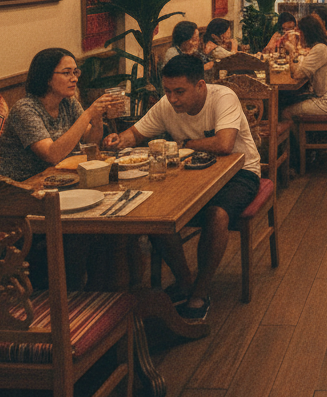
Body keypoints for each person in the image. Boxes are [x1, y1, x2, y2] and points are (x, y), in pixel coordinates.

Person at [103, 53, 262, 320]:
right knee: (156, 213)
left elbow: (224, 144)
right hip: (190, 174)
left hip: (240, 171)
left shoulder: (222, 97)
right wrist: (118, 140)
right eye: (167, 91)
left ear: (200, 85)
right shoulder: (166, 105)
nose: (173, 99)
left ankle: (201, 291)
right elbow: (136, 133)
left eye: (179, 92)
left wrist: (182, 145)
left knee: (217, 215)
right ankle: (185, 281)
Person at [0, 48, 126, 182]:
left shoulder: (68, 102)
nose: (74, 79)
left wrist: (97, 118)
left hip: (60, 178)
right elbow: (51, 155)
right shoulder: (25, 109)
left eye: (75, 72)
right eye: (66, 73)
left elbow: (90, 141)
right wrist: (88, 114)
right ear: (47, 78)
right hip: (23, 184)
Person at [281, 15, 327, 165]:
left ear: (306, 32)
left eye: (299, 32)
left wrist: (292, 51)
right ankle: (307, 148)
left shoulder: (320, 49)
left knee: (286, 112)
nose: (298, 36)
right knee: (290, 101)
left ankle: (298, 158)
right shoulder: (322, 46)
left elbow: (298, 74)